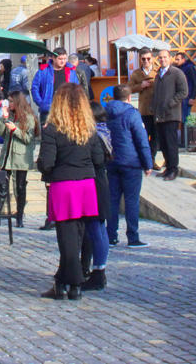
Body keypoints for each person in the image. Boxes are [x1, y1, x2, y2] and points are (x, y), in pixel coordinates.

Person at [36, 82, 105, 300]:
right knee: (78, 235)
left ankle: (73, 282)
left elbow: (46, 163)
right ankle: (63, 282)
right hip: (86, 184)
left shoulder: (53, 130)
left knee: (66, 238)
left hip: (64, 185)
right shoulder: (89, 130)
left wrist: (44, 165)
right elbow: (99, 159)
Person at [104, 82, 152, 248]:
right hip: (131, 161)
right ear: (129, 97)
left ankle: (111, 235)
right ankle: (133, 237)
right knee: (131, 201)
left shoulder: (105, 112)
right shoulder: (132, 114)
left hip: (111, 160)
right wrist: (148, 164)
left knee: (112, 199)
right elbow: (141, 140)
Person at [80, 101, 112, 290]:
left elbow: (97, 160)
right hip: (100, 183)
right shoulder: (104, 131)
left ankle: (99, 271)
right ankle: (99, 270)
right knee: (98, 228)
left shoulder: (96, 135)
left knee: (96, 229)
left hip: (95, 185)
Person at [0, 89, 39, 228]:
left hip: (20, 157)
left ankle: (19, 216)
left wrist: (15, 129)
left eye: (12, 101)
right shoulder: (10, 115)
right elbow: (1, 133)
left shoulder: (28, 117)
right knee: (2, 187)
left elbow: (28, 138)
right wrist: (3, 118)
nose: (10, 104)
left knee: (20, 187)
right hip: (7, 156)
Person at [151, 49, 188, 180]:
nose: (162, 60)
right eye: (160, 58)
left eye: (165, 57)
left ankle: (173, 169)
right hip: (159, 114)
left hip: (171, 114)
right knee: (163, 143)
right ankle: (167, 168)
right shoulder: (158, 74)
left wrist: (171, 103)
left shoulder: (177, 73)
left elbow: (184, 92)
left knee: (171, 143)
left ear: (170, 58)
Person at [128, 49, 160, 164]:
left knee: (156, 137)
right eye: (143, 59)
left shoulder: (158, 71)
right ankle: (144, 159)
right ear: (140, 59)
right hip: (144, 109)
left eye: (148, 58)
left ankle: (152, 160)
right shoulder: (136, 73)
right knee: (144, 136)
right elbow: (129, 88)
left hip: (157, 108)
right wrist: (140, 86)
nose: (146, 61)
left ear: (152, 59)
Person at [31, 46, 74, 126]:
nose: (63, 61)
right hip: (48, 110)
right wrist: (41, 103)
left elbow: (76, 89)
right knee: (47, 135)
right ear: (53, 58)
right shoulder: (43, 71)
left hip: (67, 110)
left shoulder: (71, 71)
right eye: (60, 59)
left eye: (64, 59)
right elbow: (34, 88)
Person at [174, 51, 196, 147]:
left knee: (185, 119)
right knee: (180, 118)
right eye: (175, 59)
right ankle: (182, 141)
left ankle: (186, 141)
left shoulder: (190, 68)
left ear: (183, 59)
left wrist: (193, 96)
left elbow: (195, 83)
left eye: (178, 59)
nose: (176, 61)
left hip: (187, 97)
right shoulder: (178, 68)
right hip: (180, 97)